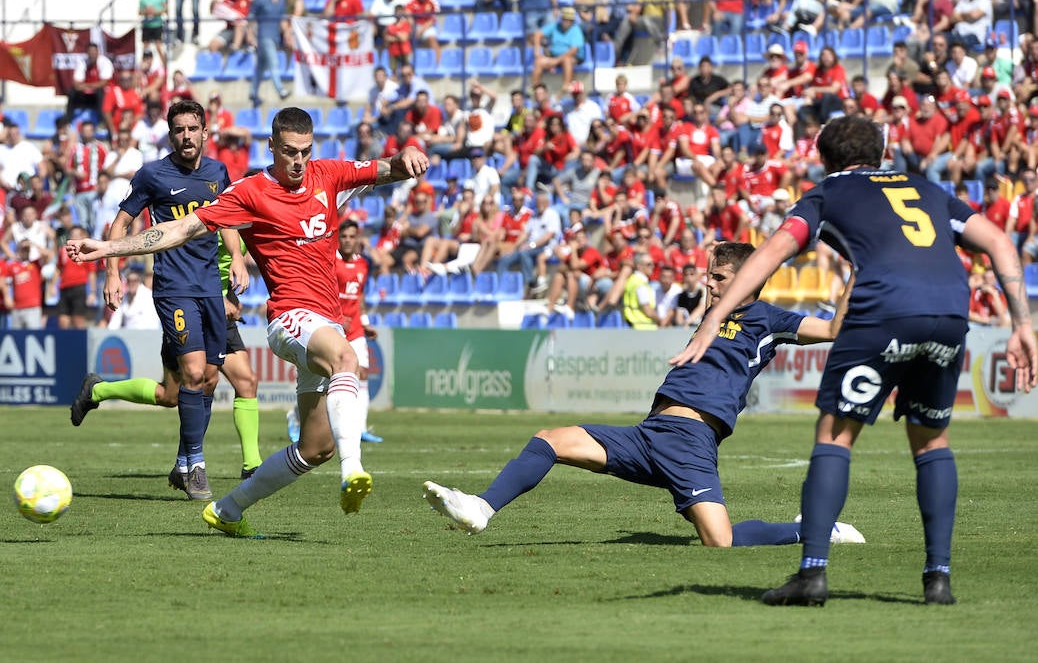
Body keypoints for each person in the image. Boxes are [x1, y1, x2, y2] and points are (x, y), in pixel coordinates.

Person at [673, 115, 1037, 606]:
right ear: (883, 153)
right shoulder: (925, 187)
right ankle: (939, 579)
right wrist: (1022, 323)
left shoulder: (828, 193)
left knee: (835, 436)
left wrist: (715, 316)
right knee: (932, 441)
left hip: (884, 306)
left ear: (825, 158)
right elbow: (997, 240)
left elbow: (771, 253)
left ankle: (813, 573)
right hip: (949, 309)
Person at [67, 107, 429, 537]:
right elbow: (178, 231)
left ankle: (228, 509)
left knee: (316, 448)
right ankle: (354, 472)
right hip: (290, 317)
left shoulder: (328, 174)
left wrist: (407, 151)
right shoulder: (249, 191)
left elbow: (388, 168)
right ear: (272, 147)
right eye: (290, 152)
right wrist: (109, 249)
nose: (298, 161)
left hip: (323, 320)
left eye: (306, 152)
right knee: (345, 358)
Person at [424, 242, 865, 551]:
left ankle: (813, 531)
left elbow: (831, 329)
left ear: (752, 279)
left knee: (721, 542)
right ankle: (481, 507)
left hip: (691, 442)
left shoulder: (768, 318)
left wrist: (854, 275)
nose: (709, 284)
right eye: (710, 275)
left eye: (720, 277)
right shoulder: (715, 312)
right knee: (550, 438)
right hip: (649, 433)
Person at [68, 99, 249, 500]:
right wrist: (112, 272)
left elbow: (229, 217)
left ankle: (179, 461)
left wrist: (237, 257)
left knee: (199, 384)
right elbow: (121, 222)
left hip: (210, 290)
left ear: (205, 131)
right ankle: (196, 466)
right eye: (178, 129)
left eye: (192, 128)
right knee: (195, 372)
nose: (186, 136)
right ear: (171, 134)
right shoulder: (153, 175)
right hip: (172, 289)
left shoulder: (219, 172)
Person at [334, 219, 383, 443]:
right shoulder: (330, 261)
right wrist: (335, 315)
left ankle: (361, 428)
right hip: (332, 328)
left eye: (352, 237)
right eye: (344, 236)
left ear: (357, 239)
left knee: (362, 374)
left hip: (354, 330)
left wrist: (364, 321)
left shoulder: (363, 264)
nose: (347, 240)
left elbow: (359, 296)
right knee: (323, 378)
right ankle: (295, 418)